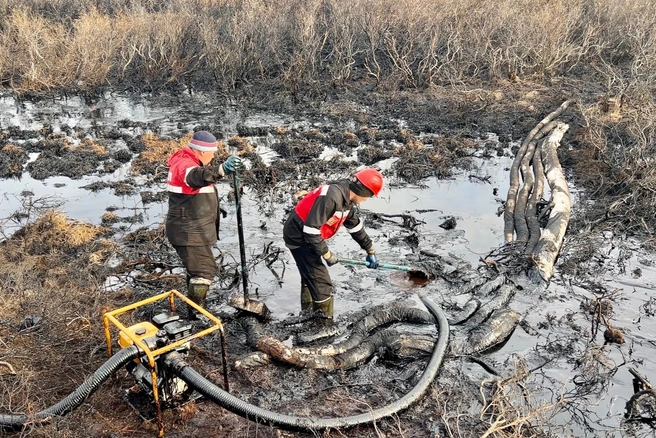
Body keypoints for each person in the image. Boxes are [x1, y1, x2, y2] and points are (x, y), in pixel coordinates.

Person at [283, 168, 384, 322]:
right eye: (369, 196)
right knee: (321, 282)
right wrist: (326, 254)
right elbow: (310, 229)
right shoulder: (333, 197)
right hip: (298, 235)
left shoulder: (346, 199)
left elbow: (354, 226)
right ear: (363, 190)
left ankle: (307, 313)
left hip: (307, 235)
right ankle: (323, 325)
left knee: (310, 275)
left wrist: (369, 249)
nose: (367, 199)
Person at [165, 130, 243, 318]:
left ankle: (194, 306)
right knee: (204, 270)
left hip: (191, 227)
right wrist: (221, 170)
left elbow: (197, 189)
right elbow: (195, 177)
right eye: (212, 152)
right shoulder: (185, 164)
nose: (214, 155)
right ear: (201, 152)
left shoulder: (189, 161)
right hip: (188, 230)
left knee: (196, 270)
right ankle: (196, 315)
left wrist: (215, 208)